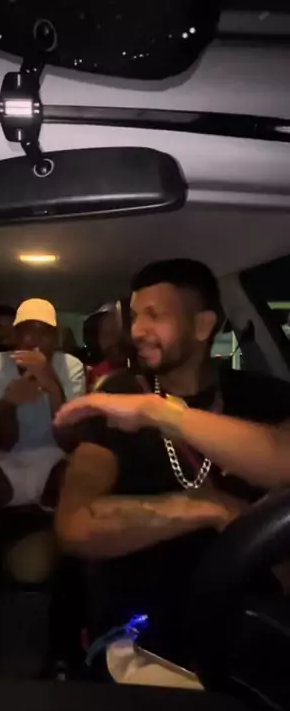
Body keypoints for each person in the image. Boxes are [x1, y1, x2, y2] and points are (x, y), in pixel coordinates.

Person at [55, 258, 290, 668]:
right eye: (135, 316)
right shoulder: (117, 400)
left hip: (260, 624)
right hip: (144, 636)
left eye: (154, 315)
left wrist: (160, 414)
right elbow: (75, 525)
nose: (137, 331)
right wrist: (209, 507)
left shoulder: (265, 396)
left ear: (202, 326)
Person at [0, 299, 86, 586]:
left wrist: (52, 385)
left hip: (54, 456)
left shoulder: (71, 365)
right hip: (7, 459)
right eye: (25, 331)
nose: (32, 340)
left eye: (42, 332)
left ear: (56, 337)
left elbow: (68, 441)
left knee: (73, 472)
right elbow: (3, 440)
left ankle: (60, 551)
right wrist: (8, 403)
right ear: (15, 336)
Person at [87, 305, 131, 390]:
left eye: (115, 333)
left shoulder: (142, 372)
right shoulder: (94, 375)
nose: (112, 341)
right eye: (106, 335)